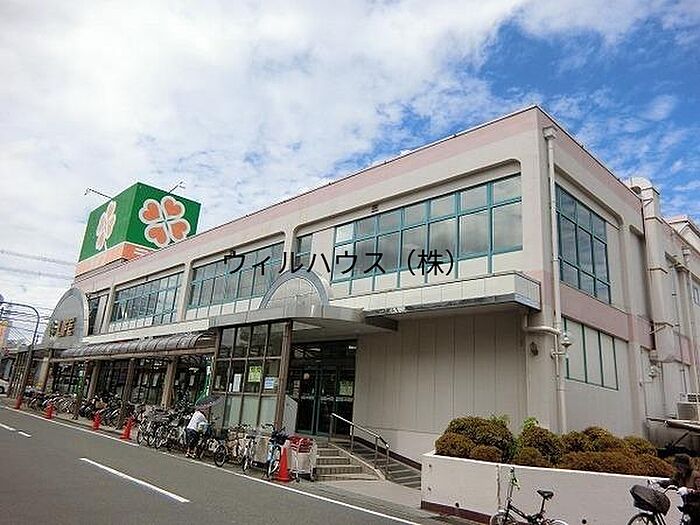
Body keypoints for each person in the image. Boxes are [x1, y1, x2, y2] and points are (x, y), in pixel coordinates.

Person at [661, 454, 700, 524]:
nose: (677, 468)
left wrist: (688, 491)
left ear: (686, 466)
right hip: (688, 506)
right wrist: (659, 483)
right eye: (676, 466)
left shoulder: (695, 475)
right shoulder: (679, 475)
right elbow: (672, 482)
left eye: (679, 466)